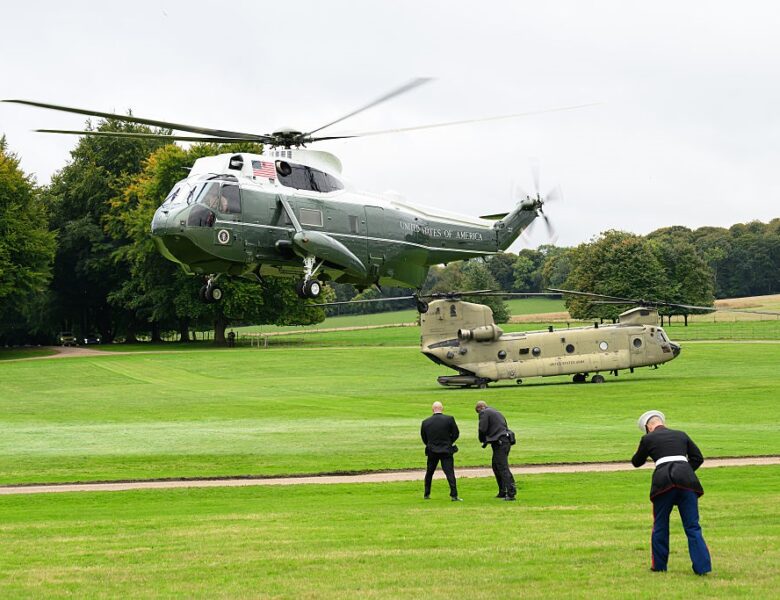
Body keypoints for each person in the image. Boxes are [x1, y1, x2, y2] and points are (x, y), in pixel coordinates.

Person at [631, 410, 712, 575]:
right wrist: (685, 471)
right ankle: (702, 568)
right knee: (692, 526)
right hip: (688, 482)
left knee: (660, 525)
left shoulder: (648, 438)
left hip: (663, 483)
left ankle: (659, 566)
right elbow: (698, 458)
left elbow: (636, 462)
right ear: (662, 422)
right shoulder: (681, 434)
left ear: (648, 426)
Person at [420, 401, 462, 501]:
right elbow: (456, 433)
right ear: (442, 409)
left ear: (432, 409)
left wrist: (430, 444)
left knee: (429, 472)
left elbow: (424, 437)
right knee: (450, 473)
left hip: (432, 451)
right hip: (446, 450)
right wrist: (449, 442)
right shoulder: (449, 419)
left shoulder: (426, 422)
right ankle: (454, 495)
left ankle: (427, 493)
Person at [475, 401, 516, 501]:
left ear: (480, 408)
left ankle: (511, 493)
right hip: (504, 441)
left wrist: (482, 439)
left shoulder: (484, 412)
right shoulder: (496, 412)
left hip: (500, 442)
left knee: (502, 467)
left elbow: (482, 429)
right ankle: (502, 491)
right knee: (496, 466)